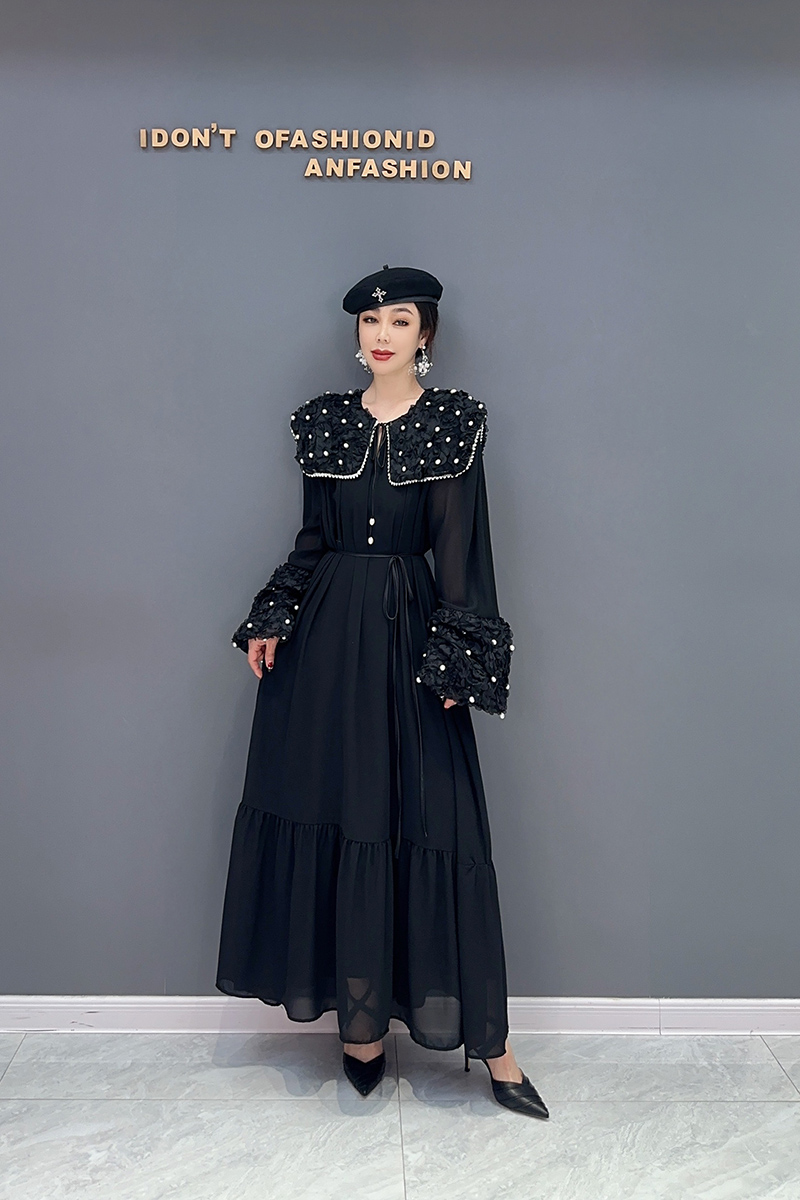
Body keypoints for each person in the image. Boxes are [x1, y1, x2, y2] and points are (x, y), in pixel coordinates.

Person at [216, 266, 549, 1119]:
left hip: (408, 641)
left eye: (399, 320)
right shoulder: (326, 422)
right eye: (371, 321)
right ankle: (359, 1033)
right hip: (324, 646)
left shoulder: (452, 423)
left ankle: (494, 1049)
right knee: (339, 812)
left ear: (425, 334)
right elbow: (311, 540)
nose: (382, 334)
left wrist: (458, 659)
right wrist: (275, 613)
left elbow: (463, 553)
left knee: (429, 821)